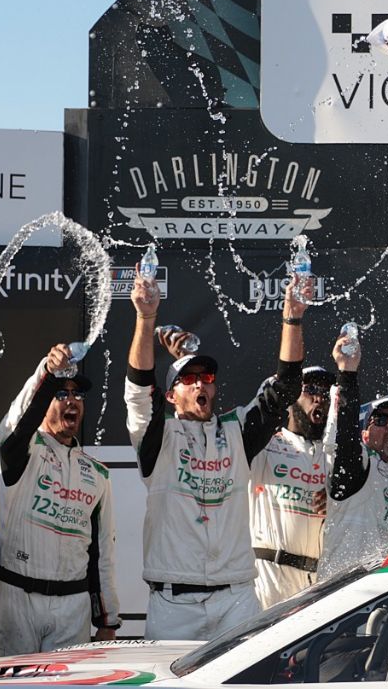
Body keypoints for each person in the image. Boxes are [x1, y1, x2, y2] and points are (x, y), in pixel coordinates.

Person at [125, 272, 306, 640]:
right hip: (173, 604)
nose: (199, 383)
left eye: (205, 376)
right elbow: (139, 388)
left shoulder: (236, 432)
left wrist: (293, 317)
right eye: (187, 380)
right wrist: (145, 320)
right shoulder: (159, 437)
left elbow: (285, 387)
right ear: (172, 396)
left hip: (236, 599)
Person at [0, 344, 118, 657]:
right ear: (45, 402)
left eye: (77, 395)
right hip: (18, 598)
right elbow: (20, 418)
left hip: (73, 607)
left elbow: (102, 552)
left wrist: (107, 617)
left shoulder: (97, 473)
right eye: (61, 394)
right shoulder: (21, 450)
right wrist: (46, 372)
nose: (71, 401)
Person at [248, 357, 338, 609]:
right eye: (310, 390)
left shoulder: (335, 454)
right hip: (268, 576)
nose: (319, 397)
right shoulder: (264, 446)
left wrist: (337, 504)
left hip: (319, 581)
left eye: (325, 392)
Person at [318, 390, 388, 580]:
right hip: (343, 588)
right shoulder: (360, 466)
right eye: (381, 420)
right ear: (365, 436)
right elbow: (337, 445)